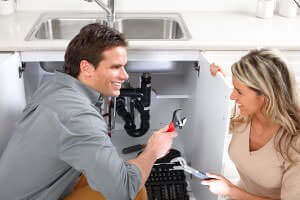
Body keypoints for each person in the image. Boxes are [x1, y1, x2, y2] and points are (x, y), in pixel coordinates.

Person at [0, 23, 177, 200]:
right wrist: (153, 151)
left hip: (25, 189)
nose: (125, 76)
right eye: (115, 67)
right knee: (133, 189)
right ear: (86, 68)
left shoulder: (54, 87)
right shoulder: (80, 118)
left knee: (124, 171)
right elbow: (123, 190)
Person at [204, 49, 300, 200]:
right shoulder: (245, 114)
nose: (232, 96)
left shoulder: (295, 144)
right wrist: (216, 80)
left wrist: (230, 191)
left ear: (266, 95)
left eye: (239, 92)